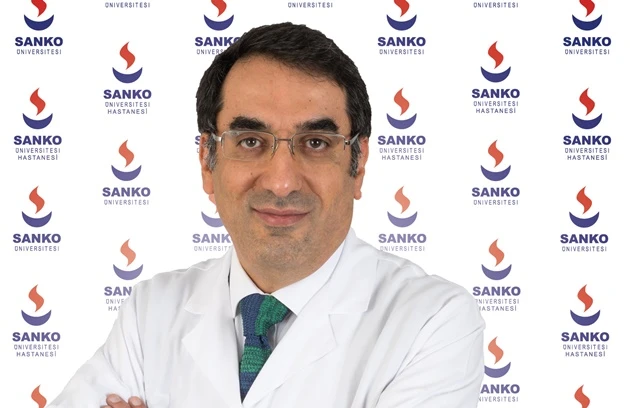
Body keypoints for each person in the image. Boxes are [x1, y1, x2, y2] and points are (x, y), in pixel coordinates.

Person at [48, 22, 485, 408]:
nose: (281, 182)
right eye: (251, 141)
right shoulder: (151, 311)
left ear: (358, 165)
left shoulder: (432, 321)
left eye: (316, 143)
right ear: (207, 162)